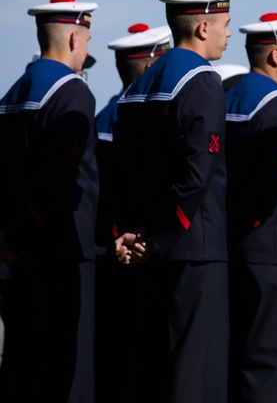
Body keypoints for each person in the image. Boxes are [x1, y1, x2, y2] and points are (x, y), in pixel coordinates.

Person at [112, 0, 234, 403]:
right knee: (196, 376)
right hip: (192, 248)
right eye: (224, 23)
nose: (228, 32)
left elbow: (122, 171)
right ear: (203, 27)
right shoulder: (202, 80)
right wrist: (162, 236)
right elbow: (197, 173)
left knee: (153, 371)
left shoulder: (135, 88)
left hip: (150, 248)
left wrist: (134, 232)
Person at [0, 0, 99, 402]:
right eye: (87, 40)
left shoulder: (12, 94)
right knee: (66, 373)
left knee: (22, 369)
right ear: (74, 39)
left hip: (14, 254)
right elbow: (58, 183)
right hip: (60, 254)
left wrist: (10, 240)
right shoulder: (72, 93)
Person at [225, 12, 277, 403]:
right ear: (276, 55)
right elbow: (270, 185)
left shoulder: (229, 97)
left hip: (235, 248)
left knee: (241, 356)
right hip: (273, 250)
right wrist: (246, 223)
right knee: (275, 364)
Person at [93, 22, 172, 402]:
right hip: (142, 250)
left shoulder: (109, 114)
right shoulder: (141, 116)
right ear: (150, 65)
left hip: (115, 247)